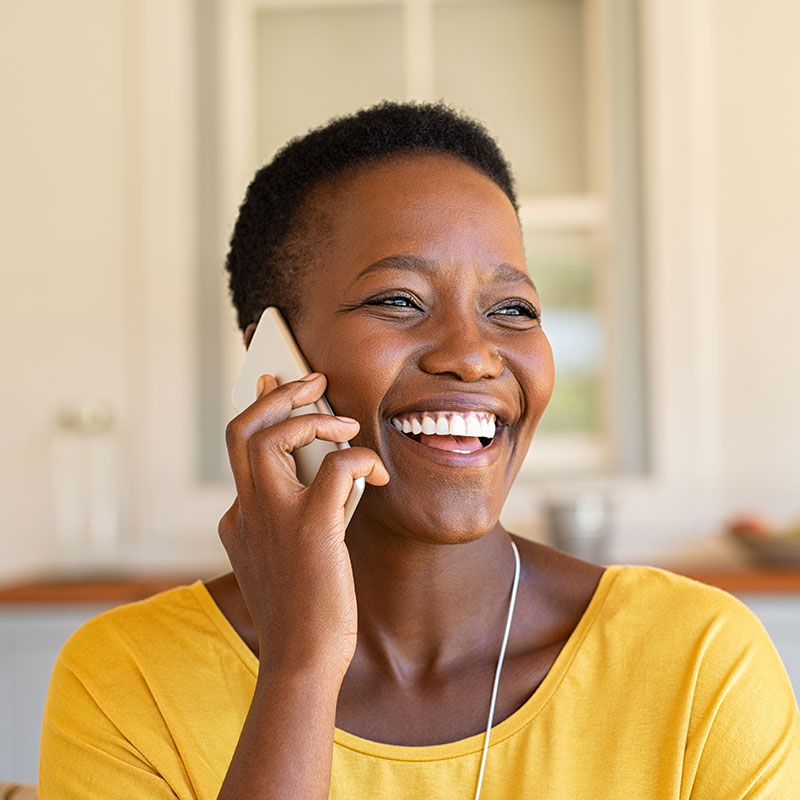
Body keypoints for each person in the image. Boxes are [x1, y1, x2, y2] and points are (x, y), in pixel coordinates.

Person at [39, 102, 800, 799]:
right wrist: (300, 668)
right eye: (399, 300)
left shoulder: (698, 661)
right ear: (274, 367)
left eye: (513, 310)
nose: (473, 356)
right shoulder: (126, 679)